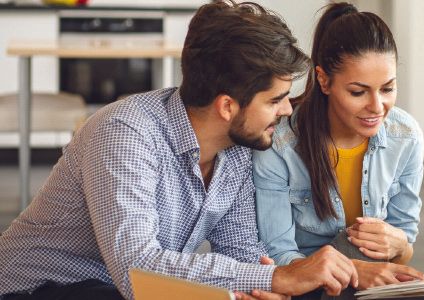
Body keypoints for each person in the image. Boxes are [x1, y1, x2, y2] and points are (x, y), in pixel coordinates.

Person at [0, 2, 359, 300]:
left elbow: (241, 251)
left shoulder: (236, 149)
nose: (285, 111)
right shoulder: (124, 132)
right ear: (227, 107)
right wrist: (275, 279)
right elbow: (136, 270)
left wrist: (265, 284)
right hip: (37, 289)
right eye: (275, 100)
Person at [252, 2, 424, 295]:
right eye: (358, 92)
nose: (376, 106)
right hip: (303, 288)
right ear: (324, 80)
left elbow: (404, 246)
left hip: (372, 286)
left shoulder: (405, 136)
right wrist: (355, 270)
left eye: (387, 88)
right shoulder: (280, 145)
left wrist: (398, 244)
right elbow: (279, 256)